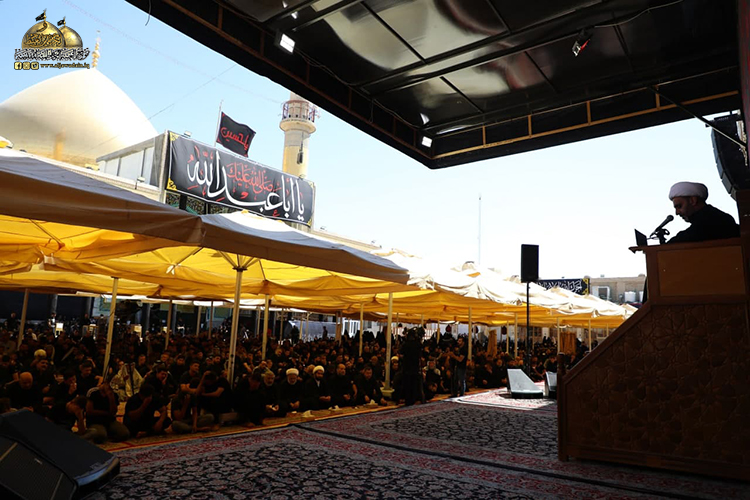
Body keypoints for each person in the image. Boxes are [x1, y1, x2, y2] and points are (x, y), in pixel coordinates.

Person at [668, 182, 739, 243]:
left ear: (693, 200)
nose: (677, 213)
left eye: (679, 206)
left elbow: (693, 234)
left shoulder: (712, 219)